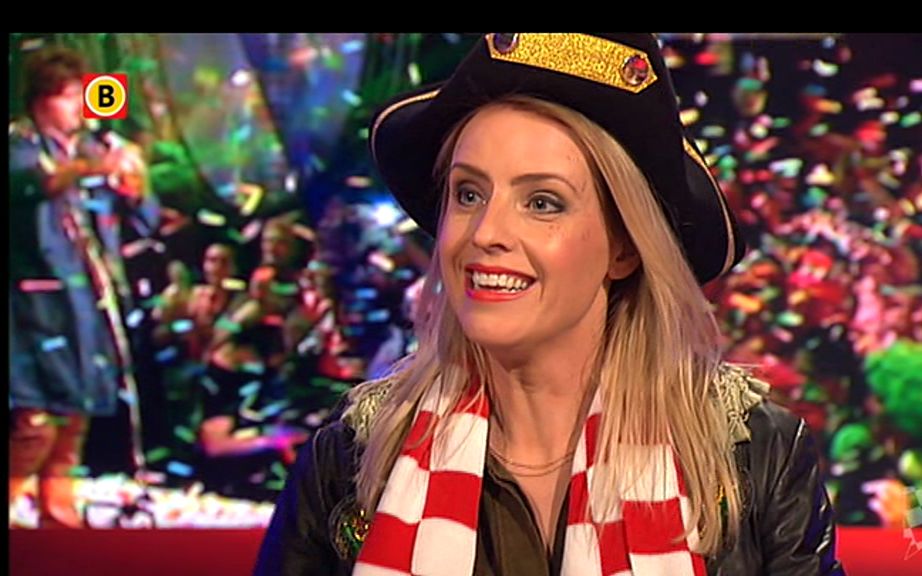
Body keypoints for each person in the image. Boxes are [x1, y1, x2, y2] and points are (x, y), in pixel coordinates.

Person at [254, 33, 844, 574]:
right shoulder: (354, 455)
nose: (486, 233)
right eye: (468, 193)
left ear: (624, 248)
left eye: (542, 202)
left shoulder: (752, 455)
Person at [9, 45, 160, 528]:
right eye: (68, 95)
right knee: (36, 418)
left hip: (90, 298)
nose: (79, 105)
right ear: (41, 100)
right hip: (35, 301)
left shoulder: (92, 149)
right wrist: (94, 168)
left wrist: (135, 184)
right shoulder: (20, 144)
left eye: (82, 94)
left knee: (77, 411)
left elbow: (143, 218)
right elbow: (34, 182)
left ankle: (58, 513)